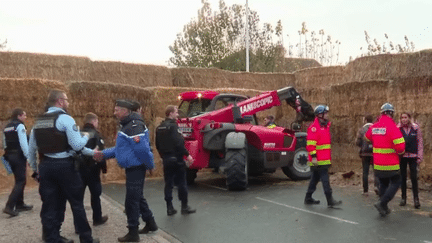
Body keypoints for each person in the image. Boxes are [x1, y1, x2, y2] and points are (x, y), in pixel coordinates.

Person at [28, 89, 99, 243]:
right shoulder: (66, 119)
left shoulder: (38, 122)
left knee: (50, 204)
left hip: (46, 166)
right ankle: (86, 238)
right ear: (60, 101)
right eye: (66, 100)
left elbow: (31, 149)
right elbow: (76, 145)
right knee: (76, 203)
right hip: (65, 167)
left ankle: (52, 237)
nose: (68, 103)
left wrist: (35, 170)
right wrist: (86, 136)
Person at [94, 99, 157, 242]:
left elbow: (143, 149)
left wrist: (149, 165)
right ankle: (151, 223)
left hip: (136, 168)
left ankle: (133, 233)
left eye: (117, 110)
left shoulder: (134, 126)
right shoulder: (127, 125)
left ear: (124, 111)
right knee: (137, 198)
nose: (114, 113)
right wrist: (103, 154)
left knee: (131, 201)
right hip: (132, 168)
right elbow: (120, 150)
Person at [365, 103, 405, 217]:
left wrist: (376, 142)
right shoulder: (393, 127)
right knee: (397, 182)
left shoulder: (374, 126)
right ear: (391, 114)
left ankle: (384, 208)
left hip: (377, 163)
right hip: (391, 163)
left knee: (383, 183)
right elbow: (401, 147)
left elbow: (367, 138)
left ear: (381, 113)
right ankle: (382, 203)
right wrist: (400, 154)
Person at [156, 105, 196, 216]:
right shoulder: (174, 127)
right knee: (182, 183)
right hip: (177, 159)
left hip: (166, 159)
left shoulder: (159, 128)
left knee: (168, 184)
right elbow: (179, 143)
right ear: (171, 114)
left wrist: (163, 156)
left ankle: (169, 208)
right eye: (176, 112)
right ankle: (184, 206)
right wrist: (187, 155)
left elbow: (157, 145)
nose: (177, 115)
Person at [74, 112, 108, 230]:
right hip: (93, 170)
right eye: (97, 122)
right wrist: (104, 170)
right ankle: (97, 219)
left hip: (79, 170)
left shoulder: (77, 134)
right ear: (93, 121)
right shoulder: (96, 135)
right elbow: (100, 154)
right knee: (95, 195)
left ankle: (78, 226)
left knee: (78, 199)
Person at [304, 105, 342, 208]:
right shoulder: (314, 128)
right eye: (325, 113)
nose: (327, 115)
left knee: (314, 179)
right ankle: (330, 200)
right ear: (320, 115)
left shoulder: (325, 126)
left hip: (323, 158)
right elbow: (310, 145)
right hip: (318, 160)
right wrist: (314, 157)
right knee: (325, 180)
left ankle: (308, 198)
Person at [2, 108, 35, 217]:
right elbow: (23, 143)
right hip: (18, 156)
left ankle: (20, 204)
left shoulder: (7, 127)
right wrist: (29, 158)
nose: (25, 118)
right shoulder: (20, 126)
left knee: (19, 180)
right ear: (19, 116)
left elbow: (5, 143)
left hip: (10, 156)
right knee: (21, 181)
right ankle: (9, 206)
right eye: (24, 115)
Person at [397, 112, 423, 209]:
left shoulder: (415, 128)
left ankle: (416, 199)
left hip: (413, 156)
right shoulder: (398, 129)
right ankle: (403, 198)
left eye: (406, 117)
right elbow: (394, 142)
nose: (404, 119)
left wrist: (419, 156)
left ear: (409, 118)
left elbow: (420, 141)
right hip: (402, 156)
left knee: (414, 178)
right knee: (403, 177)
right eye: (402, 117)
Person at [355, 114, 379, 196]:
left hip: (365, 153)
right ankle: (377, 186)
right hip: (374, 152)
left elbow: (357, 142)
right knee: (376, 170)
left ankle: (365, 191)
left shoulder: (361, 130)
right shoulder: (376, 129)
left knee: (365, 172)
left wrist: (362, 146)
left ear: (365, 120)